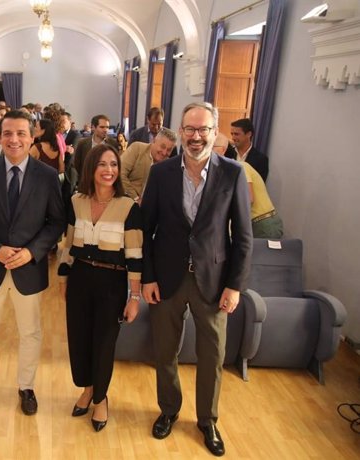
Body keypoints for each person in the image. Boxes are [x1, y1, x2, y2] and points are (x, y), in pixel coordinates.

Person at [141, 102, 252, 457]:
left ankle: (207, 420)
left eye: (203, 129)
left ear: (214, 130)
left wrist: (235, 286)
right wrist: (148, 277)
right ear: (180, 130)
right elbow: (145, 230)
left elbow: (244, 238)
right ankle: (169, 410)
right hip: (167, 278)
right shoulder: (161, 174)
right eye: (189, 129)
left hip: (214, 282)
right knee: (165, 352)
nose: (195, 136)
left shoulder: (234, 174)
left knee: (212, 355)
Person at [0, 110, 66, 416]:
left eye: (21, 133)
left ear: (32, 137)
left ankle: (26, 387)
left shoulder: (47, 176)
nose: (14, 139)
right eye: (8, 133)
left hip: (28, 269)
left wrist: (32, 252)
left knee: (30, 332)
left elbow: (56, 222)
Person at [58, 144, 143, 432]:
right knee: (79, 339)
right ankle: (87, 388)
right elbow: (68, 246)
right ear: (91, 169)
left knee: (104, 343)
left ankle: (101, 398)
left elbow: (134, 255)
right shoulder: (76, 201)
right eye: (102, 165)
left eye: (114, 165)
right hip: (80, 278)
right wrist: (63, 279)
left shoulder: (128, 206)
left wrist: (134, 297)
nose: (109, 170)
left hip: (112, 283)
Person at [213, 134, 283, 238]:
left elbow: (248, 198)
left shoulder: (241, 167)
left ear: (223, 149)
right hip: (256, 223)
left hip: (263, 223)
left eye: (211, 147)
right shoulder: (226, 171)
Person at [119, 128, 177, 201]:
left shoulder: (168, 165)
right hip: (126, 199)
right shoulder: (137, 148)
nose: (164, 153)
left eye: (169, 150)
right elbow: (120, 174)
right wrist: (136, 198)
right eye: (162, 147)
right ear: (154, 141)